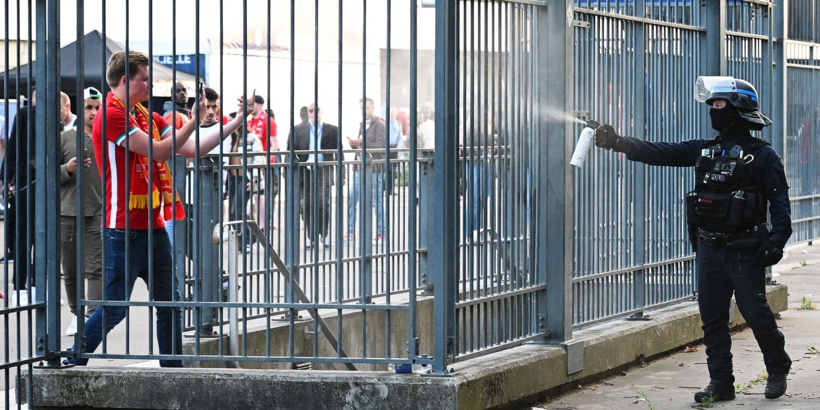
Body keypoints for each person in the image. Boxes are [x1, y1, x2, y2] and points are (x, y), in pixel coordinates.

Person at [592, 76, 791, 403]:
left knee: (755, 312)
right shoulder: (706, 150)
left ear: (737, 108)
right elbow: (663, 152)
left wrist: (778, 241)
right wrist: (618, 142)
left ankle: (777, 365)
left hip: (744, 249)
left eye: (719, 104)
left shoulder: (763, 156)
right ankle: (721, 382)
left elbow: (780, 204)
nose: (713, 110)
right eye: (711, 104)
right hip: (710, 247)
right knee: (712, 317)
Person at [65, 50, 208, 367]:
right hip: (123, 230)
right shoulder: (111, 115)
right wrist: (194, 120)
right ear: (124, 80)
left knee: (170, 304)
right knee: (115, 306)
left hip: (153, 227)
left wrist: (230, 122)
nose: (148, 84)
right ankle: (75, 355)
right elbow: (160, 153)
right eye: (144, 78)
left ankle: (173, 370)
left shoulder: (143, 115)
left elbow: (191, 148)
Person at [58, 86, 104, 336]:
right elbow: (47, 174)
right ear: (79, 110)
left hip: (97, 211)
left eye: (98, 108)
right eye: (89, 107)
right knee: (71, 269)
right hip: (67, 212)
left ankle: (92, 317)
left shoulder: (108, 138)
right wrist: (68, 168)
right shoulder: (66, 138)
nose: (94, 112)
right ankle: (77, 314)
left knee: (95, 267)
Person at [2, 85, 37, 306]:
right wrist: (9, 179)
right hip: (27, 181)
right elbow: (14, 146)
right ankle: (20, 286)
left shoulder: (57, 117)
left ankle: (36, 285)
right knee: (25, 236)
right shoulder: (25, 114)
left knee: (44, 239)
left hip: (48, 182)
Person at [288, 102, 339, 248]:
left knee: (323, 203)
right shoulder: (298, 130)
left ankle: (324, 234)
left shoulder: (332, 130)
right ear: (307, 113)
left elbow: (339, 153)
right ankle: (312, 237)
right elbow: (290, 152)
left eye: (316, 110)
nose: (313, 113)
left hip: (324, 169)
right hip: (306, 170)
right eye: (311, 111)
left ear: (321, 111)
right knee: (308, 205)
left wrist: (342, 175)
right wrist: (290, 174)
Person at [346, 97, 387, 245]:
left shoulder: (379, 124)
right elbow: (361, 146)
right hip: (360, 168)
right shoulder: (363, 125)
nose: (364, 110)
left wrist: (361, 143)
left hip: (374, 169)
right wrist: (354, 144)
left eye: (367, 107)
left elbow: (381, 146)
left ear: (373, 108)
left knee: (376, 201)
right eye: (362, 107)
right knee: (352, 198)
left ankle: (382, 233)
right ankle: (350, 233)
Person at [247, 95, 279, 234]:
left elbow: (275, 145)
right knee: (255, 194)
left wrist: (264, 162)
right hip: (251, 164)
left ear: (259, 105)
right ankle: (259, 222)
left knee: (262, 194)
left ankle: (264, 224)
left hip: (265, 164)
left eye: (252, 104)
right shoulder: (249, 121)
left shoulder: (268, 120)